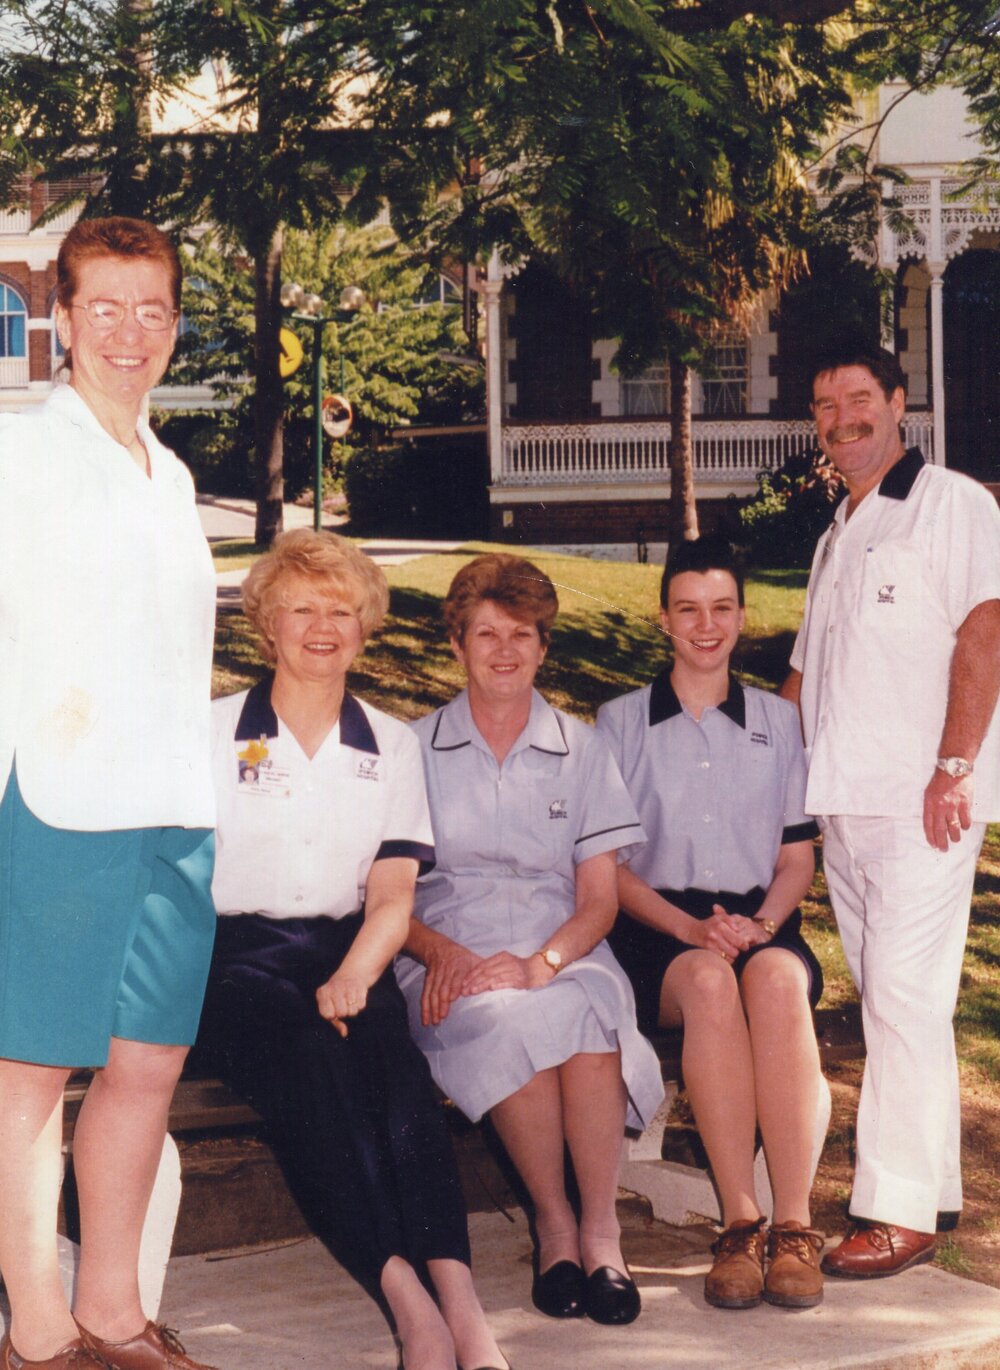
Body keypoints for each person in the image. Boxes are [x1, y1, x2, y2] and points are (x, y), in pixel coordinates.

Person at [196, 530, 504, 1370]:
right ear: (266, 625)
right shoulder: (213, 731)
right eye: (300, 608)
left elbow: (394, 896)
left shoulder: (391, 745)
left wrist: (357, 975)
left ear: (366, 628)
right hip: (236, 957)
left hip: (348, 947)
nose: (321, 626)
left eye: (341, 610)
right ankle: (406, 1302)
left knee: (399, 1074)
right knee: (311, 1066)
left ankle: (462, 1304)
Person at [0, 218, 217, 1369]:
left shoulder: (172, 474)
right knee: (33, 1070)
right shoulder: (20, 459)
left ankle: (113, 1311)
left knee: (147, 1061)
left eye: (152, 311)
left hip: (175, 814)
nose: (129, 334)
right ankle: (37, 1330)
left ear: (174, 325)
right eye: (105, 309)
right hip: (59, 804)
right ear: (62, 323)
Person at [395, 554, 663, 1327]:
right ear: (457, 644)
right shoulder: (411, 752)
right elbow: (387, 899)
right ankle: (554, 1224)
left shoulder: (582, 750)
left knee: (580, 1016)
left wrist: (545, 961)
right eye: (487, 633)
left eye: (523, 634)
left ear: (544, 647)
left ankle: (601, 1233)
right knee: (506, 1017)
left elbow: (599, 902)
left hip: (566, 950)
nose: (505, 650)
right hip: (451, 959)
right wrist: (440, 952)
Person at [781, 343, 1000, 1278]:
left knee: (907, 1002)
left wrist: (954, 767)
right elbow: (801, 681)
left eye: (859, 399)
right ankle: (927, 1191)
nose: (843, 420)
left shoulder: (953, 504)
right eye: (827, 407)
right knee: (891, 1005)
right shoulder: (839, 528)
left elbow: (986, 631)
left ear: (900, 404)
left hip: (924, 805)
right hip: (845, 809)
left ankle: (897, 1211)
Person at [596, 536, 826, 1311]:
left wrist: (761, 925)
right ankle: (738, 1222)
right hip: (657, 928)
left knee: (775, 981)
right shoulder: (620, 723)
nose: (706, 624)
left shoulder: (778, 721)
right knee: (706, 979)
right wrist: (693, 931)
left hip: (759, 917)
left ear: (741, 614)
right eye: (688, 609)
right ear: (663, 619)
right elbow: (610, 872)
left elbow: (797, 857)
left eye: (721, 607)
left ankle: (793, 1227)